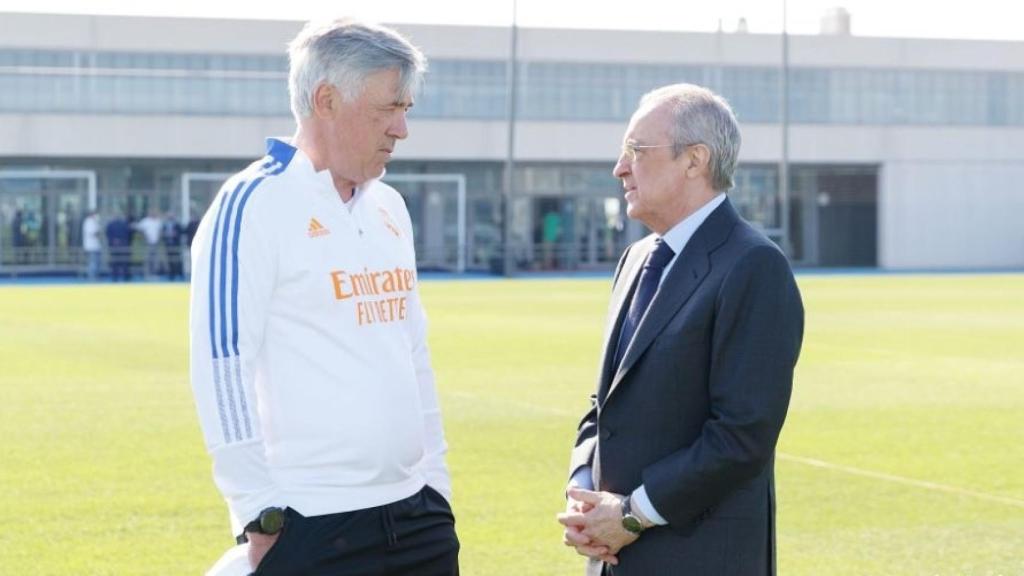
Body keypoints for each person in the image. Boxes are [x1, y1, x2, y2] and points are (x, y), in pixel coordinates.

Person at [189, 18, 458, 576]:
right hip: (312, 522)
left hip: (417, 519)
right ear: (327, 99)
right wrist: (259, 516)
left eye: (407, 108)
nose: (403, 128)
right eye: (389, 107)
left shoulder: (390, 208)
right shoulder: (252, 204)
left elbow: (413, 354)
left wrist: (437, 487)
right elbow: (222, 368)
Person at [557, 83, 804, 575]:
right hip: (611, 554)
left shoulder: (753, 265)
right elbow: (605, 404)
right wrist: (584, 487)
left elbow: (740, 437)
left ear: (695, 160)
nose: (619, 168)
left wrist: (630, 515)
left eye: (636, 150)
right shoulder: (636, 258)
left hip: (699, 557)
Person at [133, 209, 162, 278]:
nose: (154, 214)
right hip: (147, 244)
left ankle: (155, 274)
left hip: (156, 244)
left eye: (155, 213)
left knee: (155, 260)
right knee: (147, 259)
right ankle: (147, 274)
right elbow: (138, 228)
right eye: (152, 213)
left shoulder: (158, 221)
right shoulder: (145, 221)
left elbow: (160, 231)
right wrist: (144, 238)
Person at [105, 212, 132, 282]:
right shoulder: (125, 224)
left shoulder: (110, 224)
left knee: (114, 262)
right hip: (123, 245)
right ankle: (126, 277)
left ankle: (115, 277)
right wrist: (122, 241)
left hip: (114, 246)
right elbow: (128, 233)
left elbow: (107, 234)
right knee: (124, 261)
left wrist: (114, 241)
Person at [161, 212, 183, 280]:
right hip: (168, 245)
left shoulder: (177, 224)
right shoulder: (165, 225)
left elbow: (180, 232)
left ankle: (179, 274)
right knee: (170, 260)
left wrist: (175, 234)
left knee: (177, 260)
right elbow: (162, 234)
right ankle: (171, 275)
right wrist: (166, 235)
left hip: (176, 245)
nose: (170, 217)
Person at [82, 210, 102, 280]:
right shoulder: (89, 222)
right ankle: (92, 277)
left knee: (96, 262)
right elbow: (93, 233)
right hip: (91, 246)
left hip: (95, 246)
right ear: (92, 215)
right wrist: (99, 233)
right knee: (93, 262)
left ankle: (95, 276)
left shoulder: (94, 222)